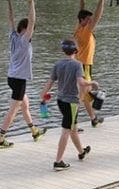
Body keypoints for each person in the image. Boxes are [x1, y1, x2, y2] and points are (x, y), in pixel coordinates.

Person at [0, 0, 45, 149]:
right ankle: (0, 138)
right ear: (25, 29)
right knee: (14, 109)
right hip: (19, 79)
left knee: (25, 105)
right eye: (30, 30)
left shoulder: (13, 36)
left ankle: (34, 131)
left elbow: (10, 19)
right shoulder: (24, 40)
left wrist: (9, 1)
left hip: (11, 77)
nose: (31, 33)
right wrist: (32, 4)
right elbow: (32, 21)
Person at [41, 39, 98, 171]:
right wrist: (92, 83)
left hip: (60, 101)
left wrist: (43, 96)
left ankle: (81, 152)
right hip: (71, 102)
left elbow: (50, 82)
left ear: (63, 50)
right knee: (66, 130)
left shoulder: (58, 64)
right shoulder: (77, 65)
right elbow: (81, 82)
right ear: (75, 51)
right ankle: (58, 161)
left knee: (73, 127)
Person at [73, 0, 106, 127]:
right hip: (84, 66)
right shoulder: (86, 31)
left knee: (85, 95)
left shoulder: (79, 28)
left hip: (82, 64)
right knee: (82, 95)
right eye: (88, 19)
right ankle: (72, 123)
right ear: (82, 20)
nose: (90, 21)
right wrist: (101, 1)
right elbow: (98, 17)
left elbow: (81, 13)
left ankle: (93, 118)